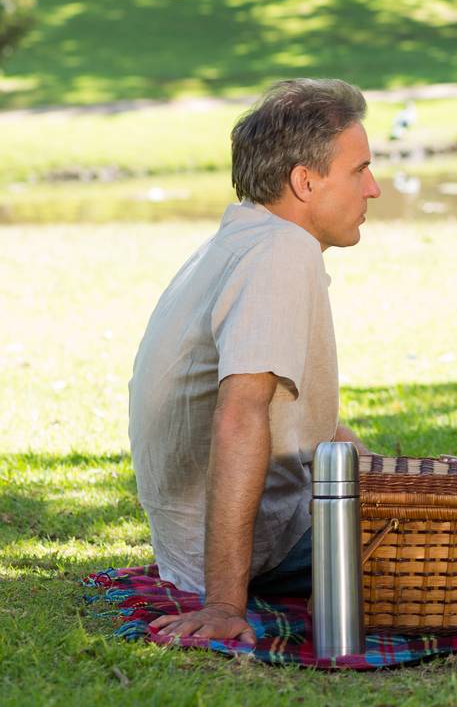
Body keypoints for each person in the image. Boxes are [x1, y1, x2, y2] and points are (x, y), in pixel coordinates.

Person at [127, 78, 381, 643]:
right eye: (359, 170)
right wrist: (223, 605)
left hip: (200, 540)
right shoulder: (280, 253)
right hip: (256, 550)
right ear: (305, 181)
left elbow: (298, 420)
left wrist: (386, 478)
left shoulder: (244, 237)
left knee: (442, 511)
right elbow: (239, 414)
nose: (375, 189)